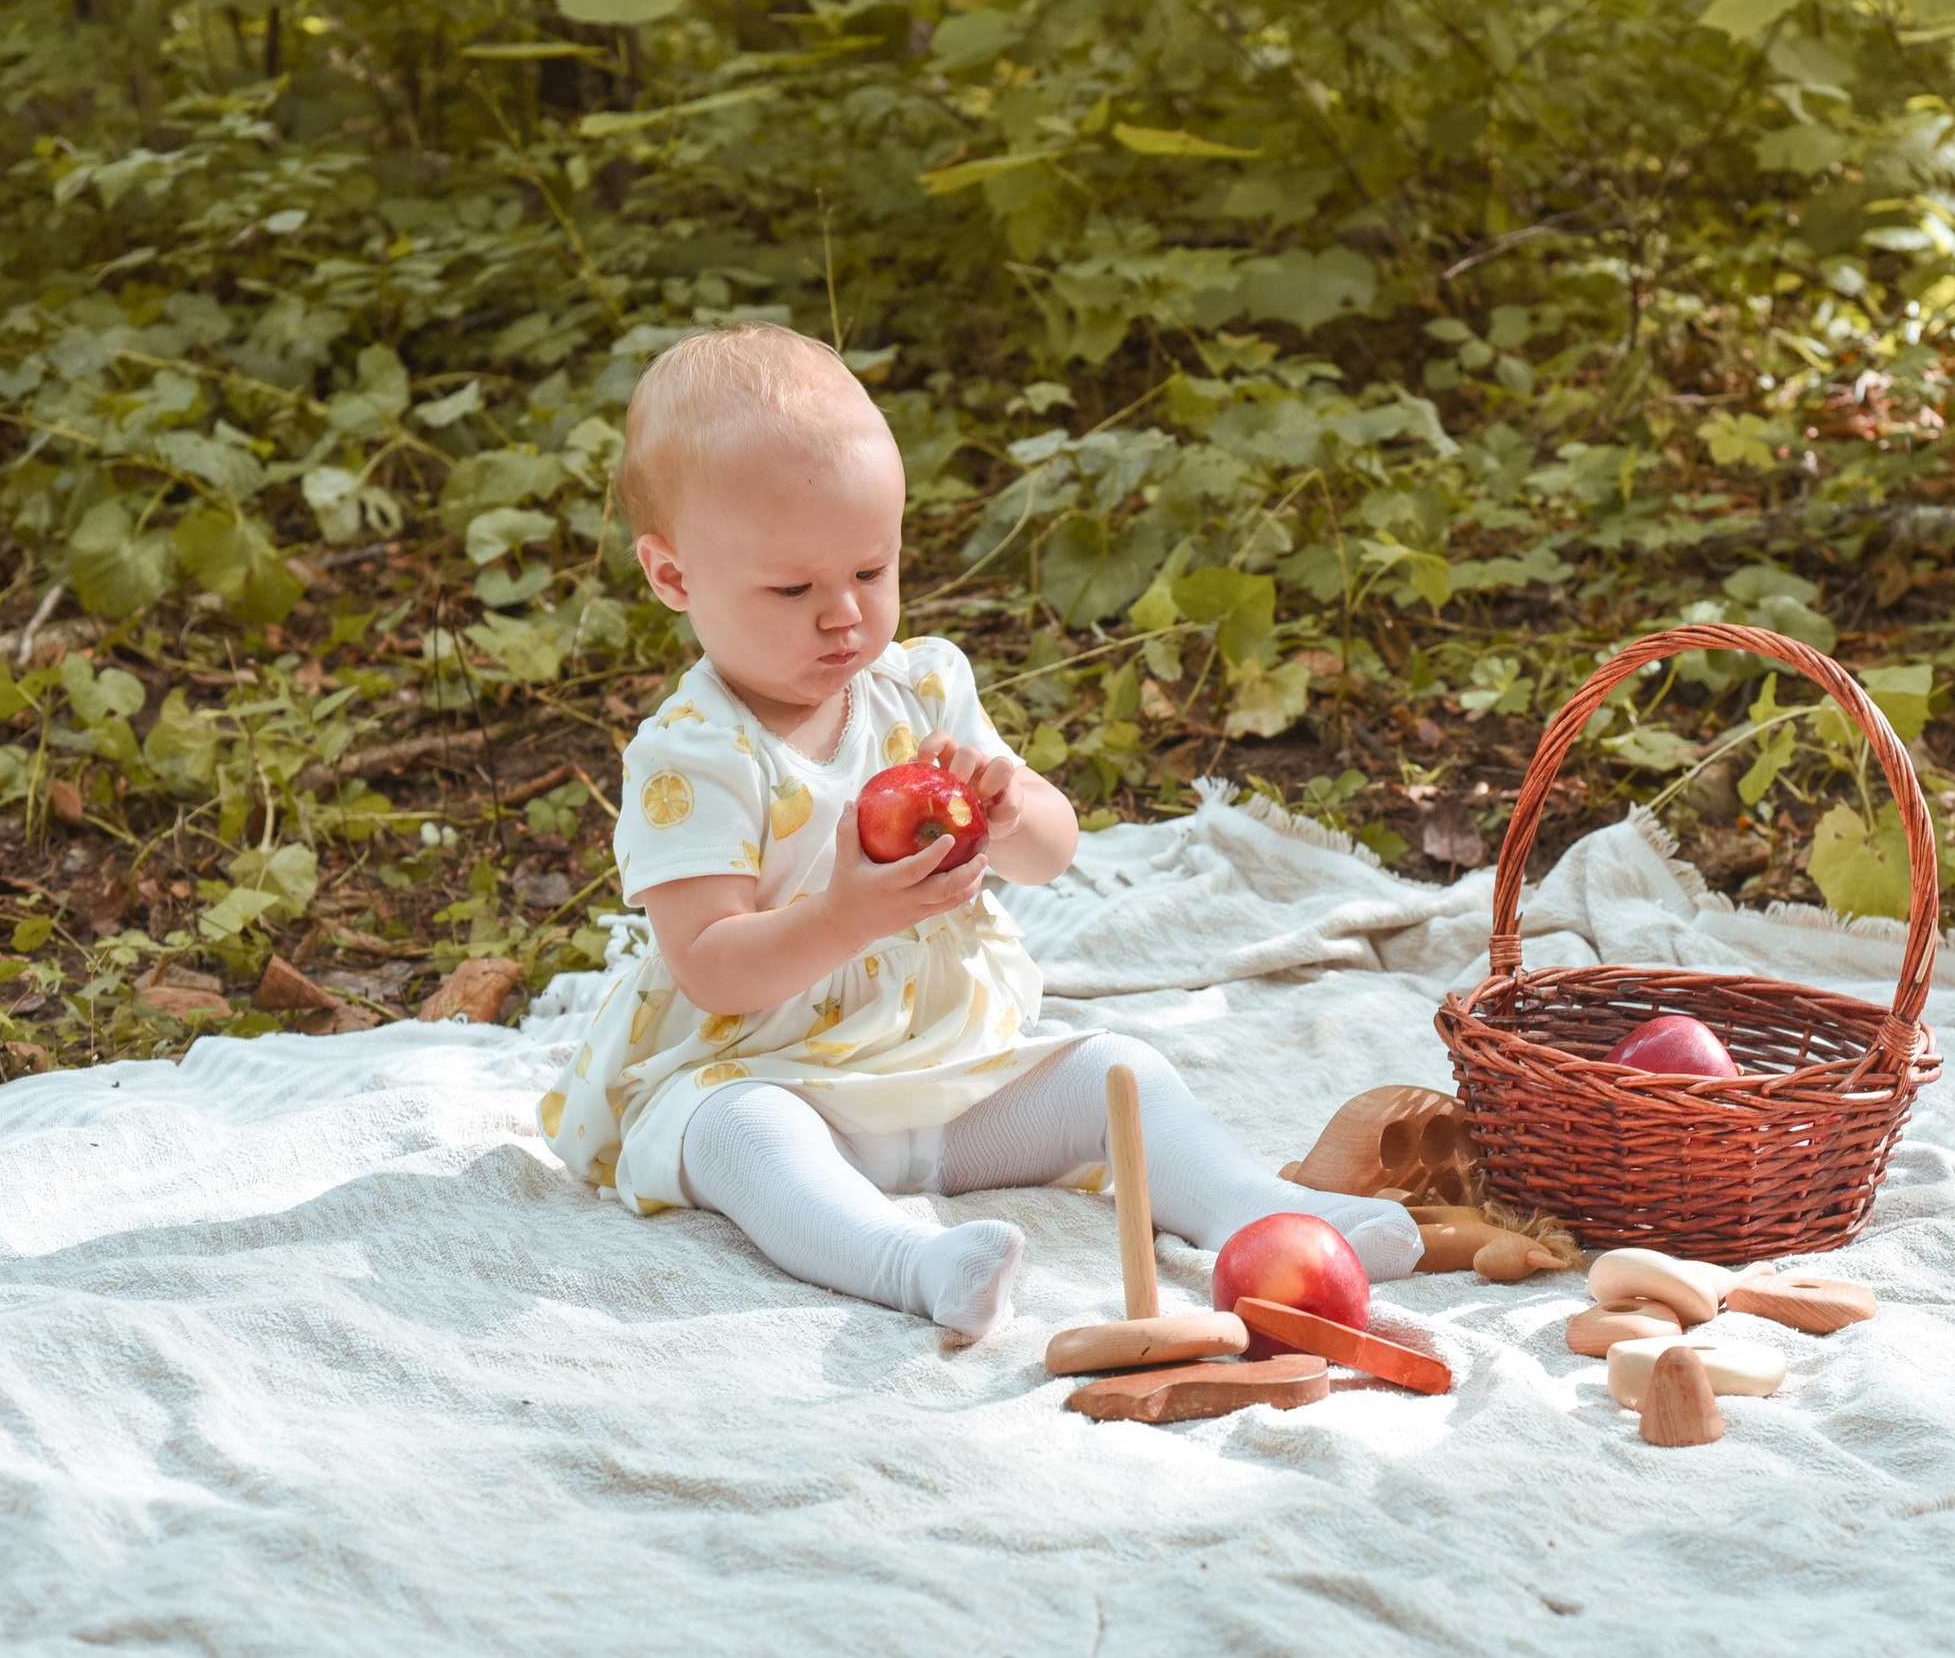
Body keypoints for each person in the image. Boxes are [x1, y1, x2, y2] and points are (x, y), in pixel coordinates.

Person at [537, 324, 1419, 1337]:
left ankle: (1263, 1211)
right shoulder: (690, 756)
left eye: (871, 570)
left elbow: (1054, 854)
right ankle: (907, 1261)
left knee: (1115, 1069)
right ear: (673, 577)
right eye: (792, 589)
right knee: (738, 1133)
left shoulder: (919, 686)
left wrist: (1013, 810)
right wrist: (843, 915)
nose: (843, 615)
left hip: (946, 1077)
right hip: (770, 1073)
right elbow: (709, 966)